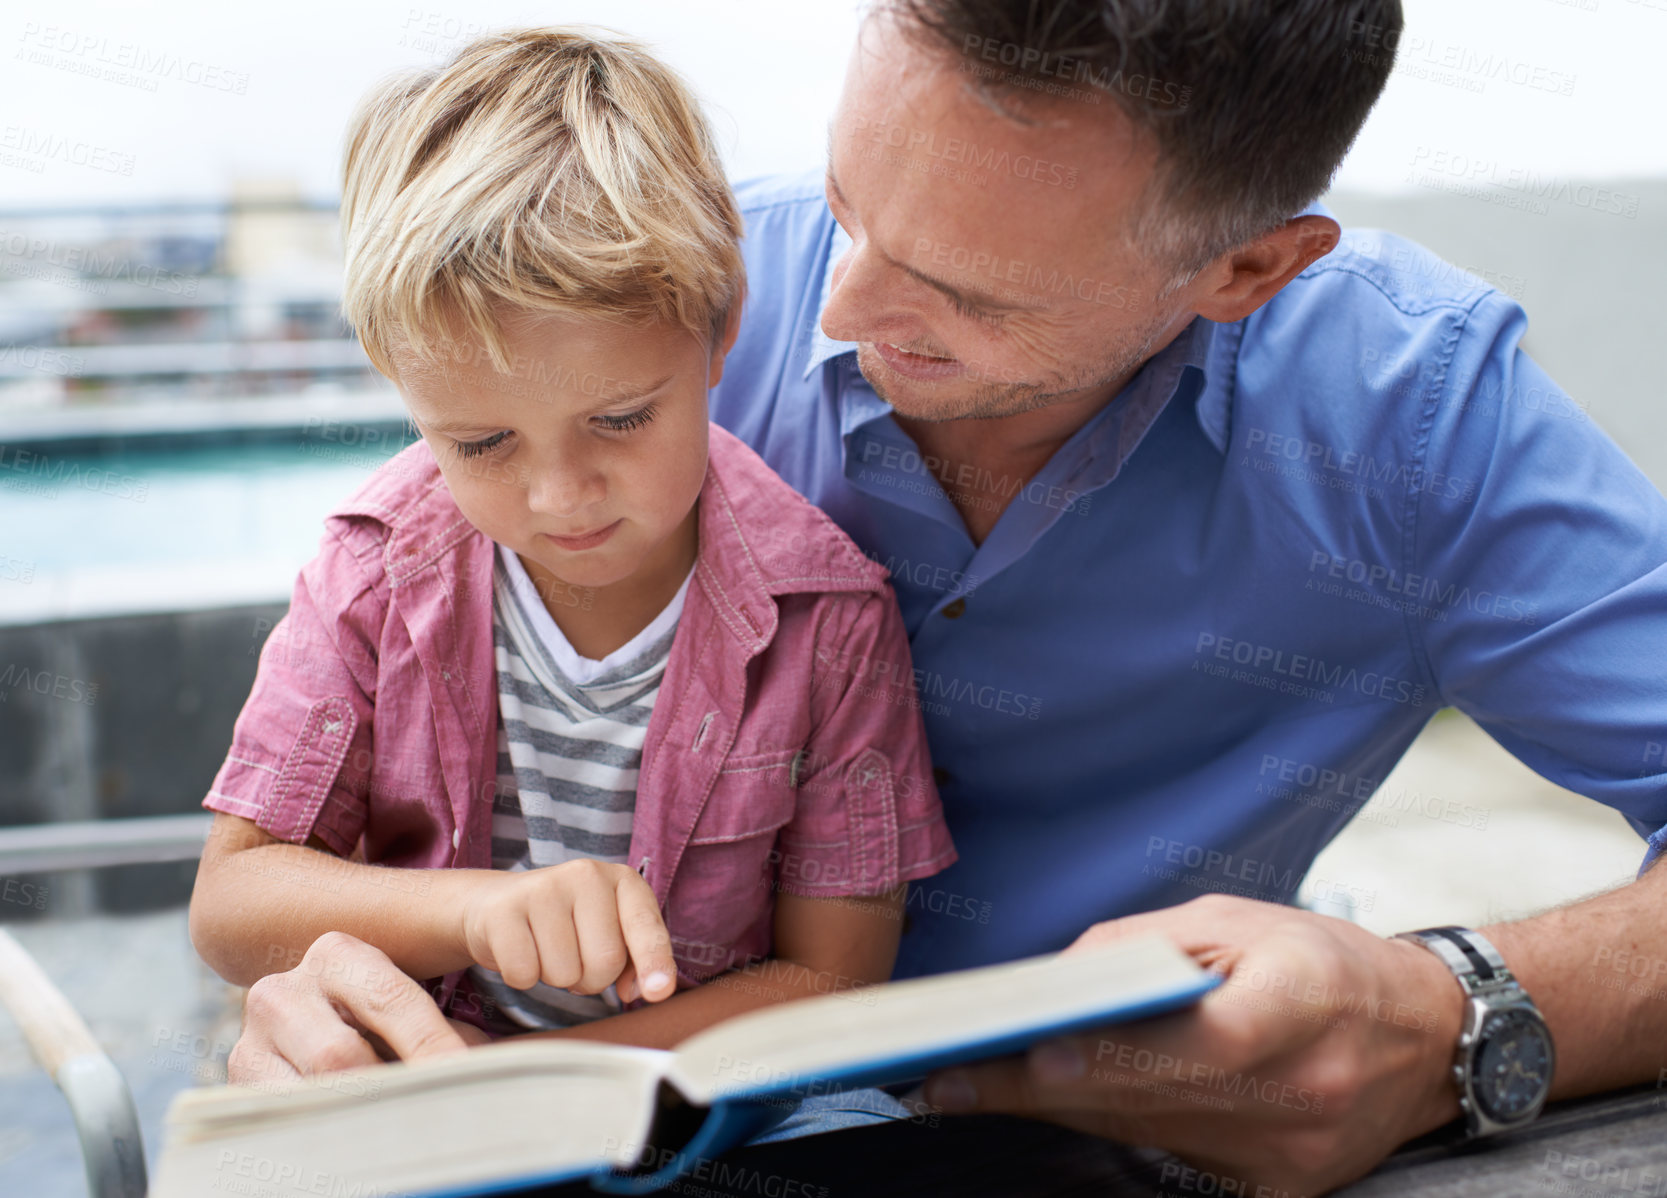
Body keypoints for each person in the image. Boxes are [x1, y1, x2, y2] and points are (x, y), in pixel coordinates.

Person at [227, 2, 1667, 1192]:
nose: (827, 315)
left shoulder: (1415, 420)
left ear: (1244, 270)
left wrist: (1452, 1007)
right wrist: (339, 995)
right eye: (849, 198)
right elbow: (302, 830)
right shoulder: (646, 305)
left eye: (962, 294)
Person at [189, 27, 955, 1052]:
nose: (558, 496)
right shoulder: (369, 571)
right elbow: (232, 902)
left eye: (620, 419)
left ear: (721, 323)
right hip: (422, 1073)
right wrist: (476, 913)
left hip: (725, 1113)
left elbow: (833, 975)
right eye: (481, 441)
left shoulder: (829, 619)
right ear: (397, 379)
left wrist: (539, 1079)